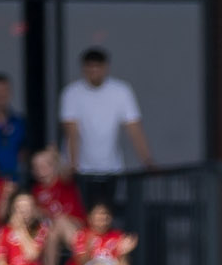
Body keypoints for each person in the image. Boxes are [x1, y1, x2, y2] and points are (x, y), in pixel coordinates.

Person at [59, 47, 153, 210]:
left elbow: (134, 129)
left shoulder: (121, 91)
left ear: (105, 68)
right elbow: (72, 133)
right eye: (90, 68)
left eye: (97, 68)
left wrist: (147, 161)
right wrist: (72, 165)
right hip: (81, 170)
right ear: (83, 69)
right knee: (83, 212)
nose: (94, 73)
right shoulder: (72, 93)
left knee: (107, 212)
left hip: (111, 167)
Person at [67, 201, 140, 265]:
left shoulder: (117, 236)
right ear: (90, 217)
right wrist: (88, 247)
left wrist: (124, 253)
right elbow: (81, 264)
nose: (103, 218)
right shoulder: (82, 235)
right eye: (99, 215)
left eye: (105, 214)